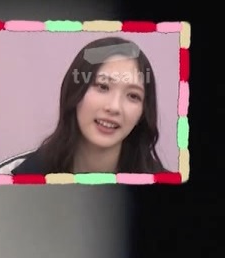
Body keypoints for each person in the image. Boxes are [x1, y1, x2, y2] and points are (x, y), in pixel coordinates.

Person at [11, 36, 167, 175]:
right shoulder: (16, 177)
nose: (114, 107)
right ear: (75, 92)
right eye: (102, 87)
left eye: (133, 96)